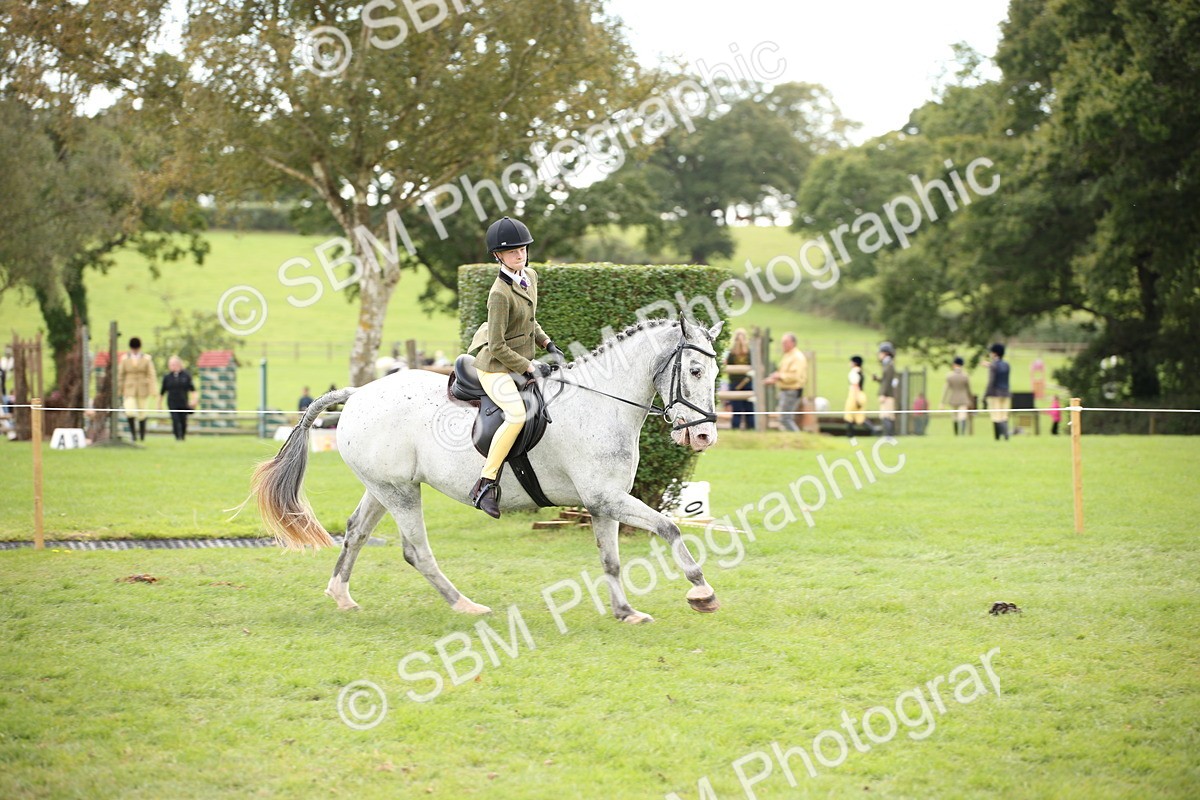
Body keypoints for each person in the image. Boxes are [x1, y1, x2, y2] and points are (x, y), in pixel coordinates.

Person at [467, 216, 564, 519]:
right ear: (498, 256)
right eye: (512, 252)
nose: (520, 255)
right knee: (517, 414)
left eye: (522, 249)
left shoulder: (530, 276)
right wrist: (529, 367)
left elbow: (529, 321)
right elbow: (497, 345)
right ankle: (485, 482)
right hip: (495, 367)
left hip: (519, 362)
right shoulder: (499, 293)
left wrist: (548, 343)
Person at [763, 332, 807, 432]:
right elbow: (785, 372)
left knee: (785, 418)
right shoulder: (788, 355)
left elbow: (795, 376)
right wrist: (775, 378)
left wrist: (779, 376)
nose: (783, 345)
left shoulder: (797, 357)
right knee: (784, 418)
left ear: (792, 343)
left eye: (785, 342)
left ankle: (796, 438)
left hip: (792, 390)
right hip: (786, 390)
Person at [118, 337, 157, 441]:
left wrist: (153, 390)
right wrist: (119, 390)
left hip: (142, 388)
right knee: (129, 411)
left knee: (142, 413)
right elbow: (121, 375)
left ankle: (142, 436)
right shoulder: (124, 359)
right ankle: (133, 435)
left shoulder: (147, 359)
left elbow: (151, 374)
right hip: (129, 389)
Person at [158, 356, 197, 441]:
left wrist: (194, 400)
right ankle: (177, 437)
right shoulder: (167, 377)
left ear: (178, 364)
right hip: (172, 402)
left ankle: (182, 436)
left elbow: (193, 390)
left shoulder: (186, 375)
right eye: (170, 364)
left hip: (183, 402)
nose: (171, 366)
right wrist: (159, 404)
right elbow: (162, 392)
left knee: (183, 420)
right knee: (175, 419)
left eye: (172, 364)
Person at [724, 328, 755, 430]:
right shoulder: (750, 353)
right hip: (748, 382)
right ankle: (751, 428)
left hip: (735, 383)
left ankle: (735, 428)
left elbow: (726, 365)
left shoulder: (731, 354)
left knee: (736, 410)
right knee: (749, 409)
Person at [984, 342, 1012, 441]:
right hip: (1006, 393)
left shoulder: (993, 366)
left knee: (996, 416)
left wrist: (985, 395)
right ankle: (1005, 435)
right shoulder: (1007, 365)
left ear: (995, 353)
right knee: (1004, 416)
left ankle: (999, 436)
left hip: (995, 394)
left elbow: (991, 381)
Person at [942, 357, 973, 436]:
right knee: (962, 416)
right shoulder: (965, 376)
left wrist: (942, 402)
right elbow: (968, 389)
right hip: (963, 399)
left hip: (953, 399)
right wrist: (970, 399)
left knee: (954, 417)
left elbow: (946, 389)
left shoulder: (950, 376)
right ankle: (962, 433)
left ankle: (956, 433)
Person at [873, 341, 897, 437]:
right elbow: (885, 380)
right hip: (888, 394)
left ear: (885, 353)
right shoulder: (887, 364)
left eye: (880, 353)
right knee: (887, 416)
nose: (879, 355)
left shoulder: (889, 365)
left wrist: (883, 394)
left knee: (886, 416)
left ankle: (888, 436)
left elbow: (887, 381)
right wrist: (877, 379)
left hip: (888, 395)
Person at [844, 355, 867, 437]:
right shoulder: (860, 372)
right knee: (860, 416)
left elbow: (855, 386)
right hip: (861, 394)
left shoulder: (853, 372)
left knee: (849, 415)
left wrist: (856, 399)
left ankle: (850, 434)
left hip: (854, 394)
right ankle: (874, 430)